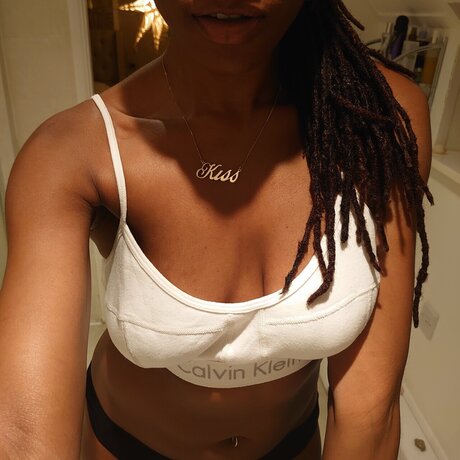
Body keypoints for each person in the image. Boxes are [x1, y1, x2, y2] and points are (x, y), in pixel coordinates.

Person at [0, 0, 433, 459]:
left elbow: (370, 413)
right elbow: (24, 435)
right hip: (126, 446)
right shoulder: (71, 153)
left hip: (291, 447)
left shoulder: (379, 121)